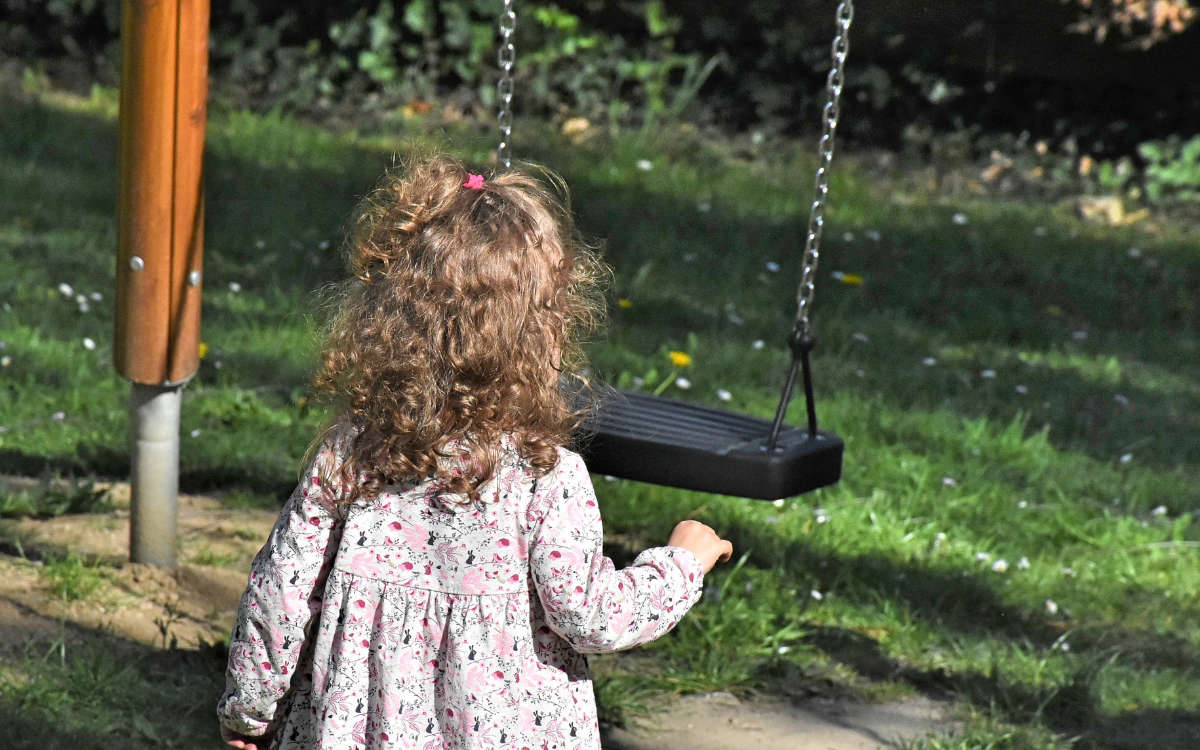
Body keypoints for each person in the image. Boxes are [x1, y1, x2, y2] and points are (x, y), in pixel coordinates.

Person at [217, 155, 733, 750]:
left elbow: (282, 591)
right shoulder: (545, 473)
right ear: (546, 327)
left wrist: (250, 710)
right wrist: (679, 565)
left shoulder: (350, 452)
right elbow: (587, 614)